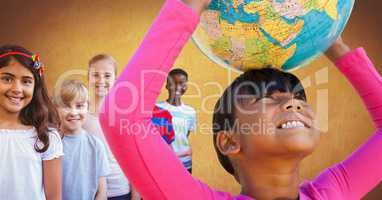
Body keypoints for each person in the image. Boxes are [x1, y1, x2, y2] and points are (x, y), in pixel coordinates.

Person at [99, 0, 382, 199]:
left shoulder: (331, 193)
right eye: (265, 97)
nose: (293, 103)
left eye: (297, 95)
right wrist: (190, 6)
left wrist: (331, 41)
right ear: (229, 140)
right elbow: (122, 115)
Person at [0, 45, 63, 200]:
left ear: (36, 88)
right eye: (7, 79)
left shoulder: (46, 137)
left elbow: (54, 197)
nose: (17, 89)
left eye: (26, 81)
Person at [83, 54, 140, 200]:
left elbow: (133, 159)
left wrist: (135, 195)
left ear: (116, 79)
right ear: (88, 77)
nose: (101, 80)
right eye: (95, 75)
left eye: (107, 75)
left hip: (119, 190)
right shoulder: (78, 115)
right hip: (88, 190)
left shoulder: (124, 116)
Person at [53, 79, 109, 200]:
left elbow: (102, 192)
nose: (73, 112)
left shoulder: (96, 146)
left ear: (87, 108)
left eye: (79, 106)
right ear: (56, 109)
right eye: (66, 106)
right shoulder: (51, 143)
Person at [156, 68, 197, 173]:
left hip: (185, 163)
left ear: (186, 86)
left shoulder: (190, 112)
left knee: (184, 189)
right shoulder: (157, 108)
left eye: (182, 84)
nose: (178, 87)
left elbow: (184, 135)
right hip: (163, 162)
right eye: (173, 83)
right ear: (166, 85)